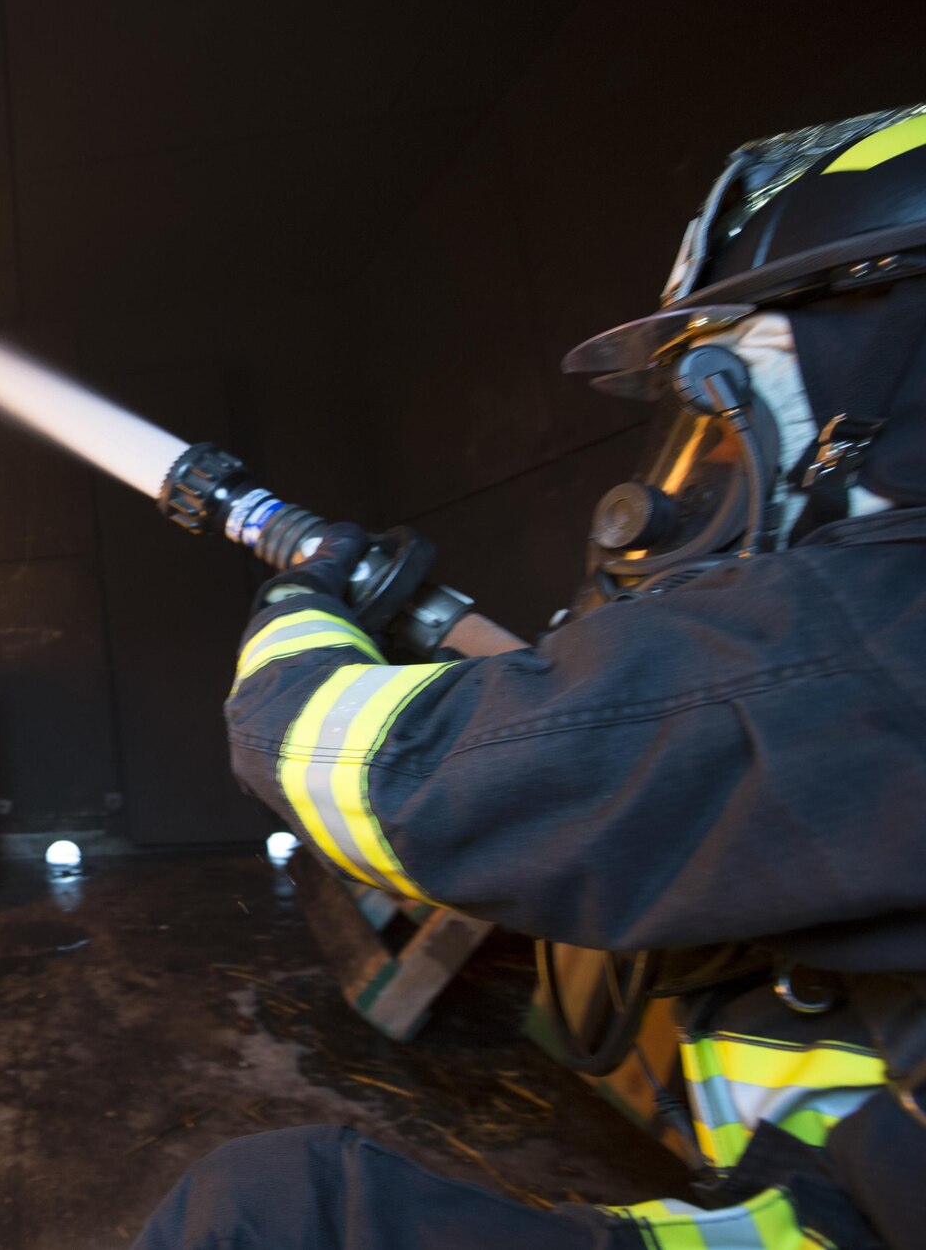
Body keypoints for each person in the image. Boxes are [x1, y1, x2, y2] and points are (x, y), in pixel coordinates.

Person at [135, 108, 926, 1250]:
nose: (700, 468)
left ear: (878, 367)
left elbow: (350, 763)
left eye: (729, 409)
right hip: (856, 1203)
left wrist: (299, 603)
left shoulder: (867, 631)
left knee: (267, 1218)